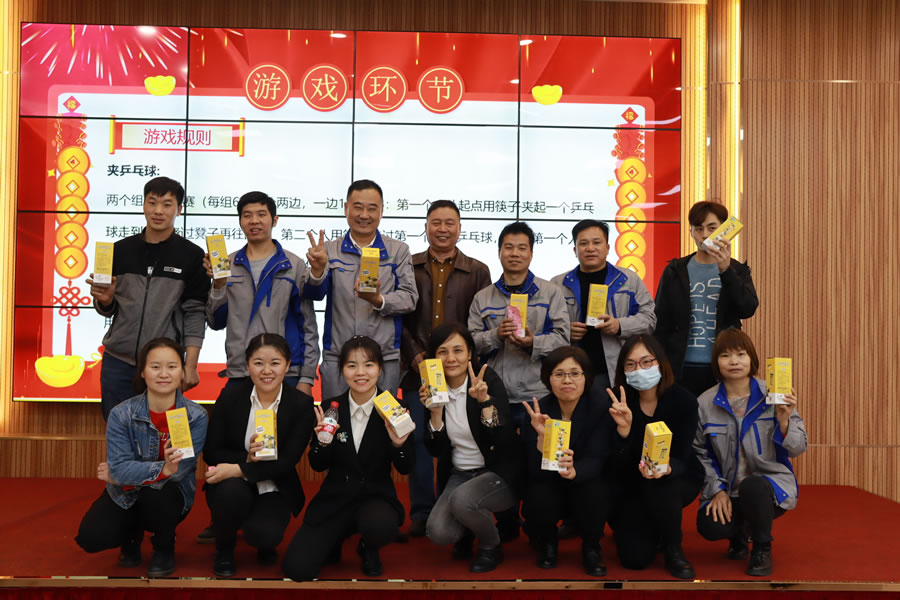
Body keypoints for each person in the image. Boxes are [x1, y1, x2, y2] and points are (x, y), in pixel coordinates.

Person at [282, 336, 415, 581]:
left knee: (380, 526)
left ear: (380, 369)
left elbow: (406, 467)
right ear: (342, 370)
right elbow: (317, 465)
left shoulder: (395, 407)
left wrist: (399, 444)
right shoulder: (330, 408)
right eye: (352, 365)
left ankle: (368, 547)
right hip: (336, 498)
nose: (360, 372)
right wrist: (323, 442)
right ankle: (334, 540)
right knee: (297, 569)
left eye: (368, 365)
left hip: (376, 498)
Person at [75, 338, 207, 578]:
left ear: (182, 372)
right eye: (155, 367)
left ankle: (164, 547)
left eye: (172, 367)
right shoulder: (121, 414)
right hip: (125, 493)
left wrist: (121, 476)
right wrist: (161, 470)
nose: (164, 374)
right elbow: (120, 468)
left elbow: (180, 471)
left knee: (159, 494)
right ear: (143, 372)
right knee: (91, 537)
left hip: (169, 495)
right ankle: (131, 537)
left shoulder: (195, 416)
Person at [401, 200, 492, 537]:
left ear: (459, 228)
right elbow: (399, 319)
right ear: (426, 227)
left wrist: (463, 359)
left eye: (449, 223)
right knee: (419, 439)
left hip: (459, 374)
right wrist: (416, 356)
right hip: (418, 371)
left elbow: (480, 321)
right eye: (436, 222)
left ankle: (449, 507)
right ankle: (422, 512)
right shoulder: (408, 265)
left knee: (452, 438)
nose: (443, 229)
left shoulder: (478, 270)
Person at [87, 177, 210, 420]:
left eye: (167, 204)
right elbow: (107, 307)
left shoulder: (191, 256)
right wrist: (105, 301)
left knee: (164, 432)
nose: (158, 211)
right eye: (152, 202)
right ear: (143, 204)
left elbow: (195, 314)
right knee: (117, 429)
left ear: (179, 209)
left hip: (164, 364)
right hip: (118, 361)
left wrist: (190, 366)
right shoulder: (119, 250)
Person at [693, 329, 807, 576]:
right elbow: (699, 453)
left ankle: (762, 547)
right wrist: (717, 490)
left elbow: (798, 448)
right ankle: (739, 534)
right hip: (729, 488)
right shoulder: (704, 403)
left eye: (741, 354)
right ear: (716, 362)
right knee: (709, 526)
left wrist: (784, 420)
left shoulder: (774, 395)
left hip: (768, 487)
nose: (734, 361)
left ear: (752, 359)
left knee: (753, 487)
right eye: (725, 355)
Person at [202, 333, 316, 578]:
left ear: (287, 365)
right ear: (247, 365)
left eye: (275, 363)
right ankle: (224, 550)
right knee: (231, 493)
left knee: (264, 534)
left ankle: (264, 542)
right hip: (233, 484)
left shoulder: (301, 404)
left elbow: (287, 461)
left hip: (275, 483)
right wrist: (245, 460)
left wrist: (239, 468)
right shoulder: (230, 397)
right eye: (258, 363)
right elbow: (211, 451)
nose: (267, 371)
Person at [421, 323, 522, 573]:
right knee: (438, 532)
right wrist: (435, 413)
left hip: (497, 472)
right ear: (433, 357)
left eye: (458, 350)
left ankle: (490, 546)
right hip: (460, 473)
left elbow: (505, 440)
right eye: (442, 352)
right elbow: (435, 450)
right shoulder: (432, 387)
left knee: (463, 500)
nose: (451, 358)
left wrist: (485, 402)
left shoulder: (486, 380)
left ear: (469, 353)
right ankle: (468, 528)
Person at [305, 180, 418, 400]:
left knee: (383, 418)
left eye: (372, 208)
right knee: (335, 417)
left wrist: (378, 300)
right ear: (346, 208)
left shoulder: (398, 250)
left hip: (384, 358)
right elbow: (314, 295)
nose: (364, 215)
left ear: (381, 211)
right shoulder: (329, 250)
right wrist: (317, 271)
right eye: (358, 207)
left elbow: (410, 298)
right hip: (338, 356)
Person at [606, 334, 704, 579]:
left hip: (675, 478)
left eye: (646, 362)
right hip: (632, 482)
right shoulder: (617, 403)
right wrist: (624, 433)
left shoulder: (684, 401)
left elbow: (683, 455)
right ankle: (648, 528)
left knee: (662, 485)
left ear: (661, 362)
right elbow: (614, 463)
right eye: (631, 364)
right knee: (634, 560)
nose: (639, 369)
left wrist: (667, 468)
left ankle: (674, 549)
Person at [206, 191, 320, 396]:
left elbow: (307, 325)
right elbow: (215, 322)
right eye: (247, 215)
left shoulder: (293, 265)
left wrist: (306, 378)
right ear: (240, 221)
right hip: (240, 371)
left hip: (286, 372)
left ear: (274, 220)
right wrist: (219, 285)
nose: (254, 221)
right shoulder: (227, 264)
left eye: (261, 214)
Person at [468, 221, 570, 433]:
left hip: (539, 392)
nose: (515, 253)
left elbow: (563, 339)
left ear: (531, 254)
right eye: (508, 247)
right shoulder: (482, 297)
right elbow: (471, 343)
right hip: (495, 391)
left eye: (522, 248)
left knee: (538, 448)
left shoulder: (551, 292)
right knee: (500, 449)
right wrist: (496, 335)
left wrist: (534, 343)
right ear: (499, 252)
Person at [521, 346, 614, 577]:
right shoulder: (537, 412)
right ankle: (547, 544)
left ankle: (591, 548)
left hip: (585, 479)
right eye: (559, 374)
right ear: (548, 379)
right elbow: (531, 469)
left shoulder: (600, 407)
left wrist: (575, 471)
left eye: (575, 373)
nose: (567, 380)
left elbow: (599, 457)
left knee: (596, 489)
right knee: (538, 492)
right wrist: (541, 444)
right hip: (549, 480)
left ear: (586, 377)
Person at [654, 201, 759, 396]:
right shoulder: (675, 270)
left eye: (712, 228)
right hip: (680, 367)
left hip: (723, 366)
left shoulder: (737, 270)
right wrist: (660, 365)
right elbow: (660, 322)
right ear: (691, 232)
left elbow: (748, 308)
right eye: (698, 228)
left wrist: (726, 271)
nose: (704, 235)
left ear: (725, 230)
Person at [552, 219, 656, 393]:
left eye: (596, 242)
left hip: (617, 368)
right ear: (575, 250)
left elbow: (650, 319)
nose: (590, 248)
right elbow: (545, 328)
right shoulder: (558, 284)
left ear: (607, 248)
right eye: (583, 243)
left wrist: (619, 325)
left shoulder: (629, 280)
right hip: (572, 371)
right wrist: (565, 331)